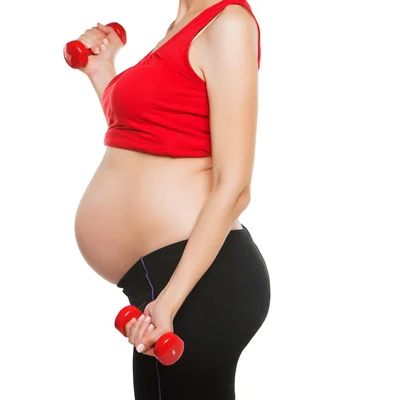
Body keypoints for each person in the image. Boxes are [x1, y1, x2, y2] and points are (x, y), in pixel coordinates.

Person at [73, 0, 270, 398]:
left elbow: (235, 187)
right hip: (163, 282)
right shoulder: (180, 26)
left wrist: (170, 301)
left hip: (197, 280)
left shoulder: (228, 23)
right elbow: (148, 136)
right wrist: (103, 72)